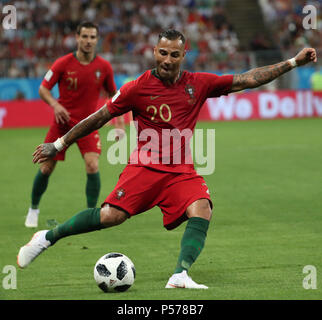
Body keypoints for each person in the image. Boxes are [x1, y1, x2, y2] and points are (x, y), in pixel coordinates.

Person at [18, 30, 317, 289]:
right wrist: (58, 144)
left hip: (180, 172)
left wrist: (293, 63)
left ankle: (179, 275)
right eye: (162, 53)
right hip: (145, 166)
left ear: (183, 54)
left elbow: (246, 79)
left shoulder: (198, 84)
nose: (167, 60)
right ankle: (47, 237)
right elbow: (99, 117)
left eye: (174, 54)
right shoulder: (138, 87)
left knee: (202, 208)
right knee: (111, 216)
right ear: (154, 52)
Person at [25, 21, 124, 228]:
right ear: (77, 38)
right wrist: (55, 104)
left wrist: (119, 125)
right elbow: (43, 89)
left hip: (88, 125)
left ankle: (90, 215)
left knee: (92, 164)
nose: (88, 41)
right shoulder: (62, 63)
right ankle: (33, 209)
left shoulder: (104, 67)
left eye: (92, 37)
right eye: (84, 36)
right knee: (45, 168)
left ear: (97, 40)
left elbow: (114, 96)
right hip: (62, 124)